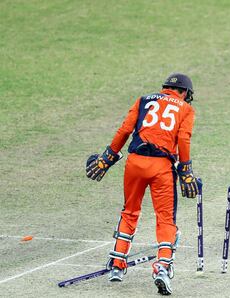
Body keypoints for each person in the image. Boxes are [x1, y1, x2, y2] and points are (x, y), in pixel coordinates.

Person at [86, 73, 200, 295]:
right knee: (165, 219)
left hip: (135, 163)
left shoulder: (143, 100)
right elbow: (184, 139)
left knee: (129, 211)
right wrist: (185, 169)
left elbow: (125, 130)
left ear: (165, 87)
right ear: (184, 93)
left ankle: (117, 265)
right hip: (161, 168)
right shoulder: (186, 109)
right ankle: (162, 268)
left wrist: (108, 157)